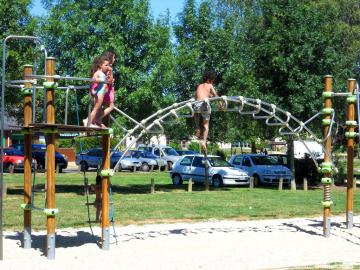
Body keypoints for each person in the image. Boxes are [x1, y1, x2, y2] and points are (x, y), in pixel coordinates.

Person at [193, 71, 221, 151]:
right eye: (212, 80)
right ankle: (204, 142)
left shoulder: (199, 86)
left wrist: (208, 95)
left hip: (197, 104)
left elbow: (196, 96)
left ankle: (197, 128)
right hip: (204, 105)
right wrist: (220, 105)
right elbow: (216, 96)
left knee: (196, 113)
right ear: (209, 79)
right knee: (206, 125)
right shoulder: (210, 85)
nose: (213, 82)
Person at [83, 55, 109, 127]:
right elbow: (93, 80)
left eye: (108, 65)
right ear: (100, 65)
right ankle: (88, 121)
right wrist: (99, 81)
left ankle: (95, 122)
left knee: (99, 109)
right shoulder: (98, 72)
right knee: (96, 108)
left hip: (102, 93)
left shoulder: (103, 74)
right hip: (99, 93)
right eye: (105, 65)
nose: (107, 67)